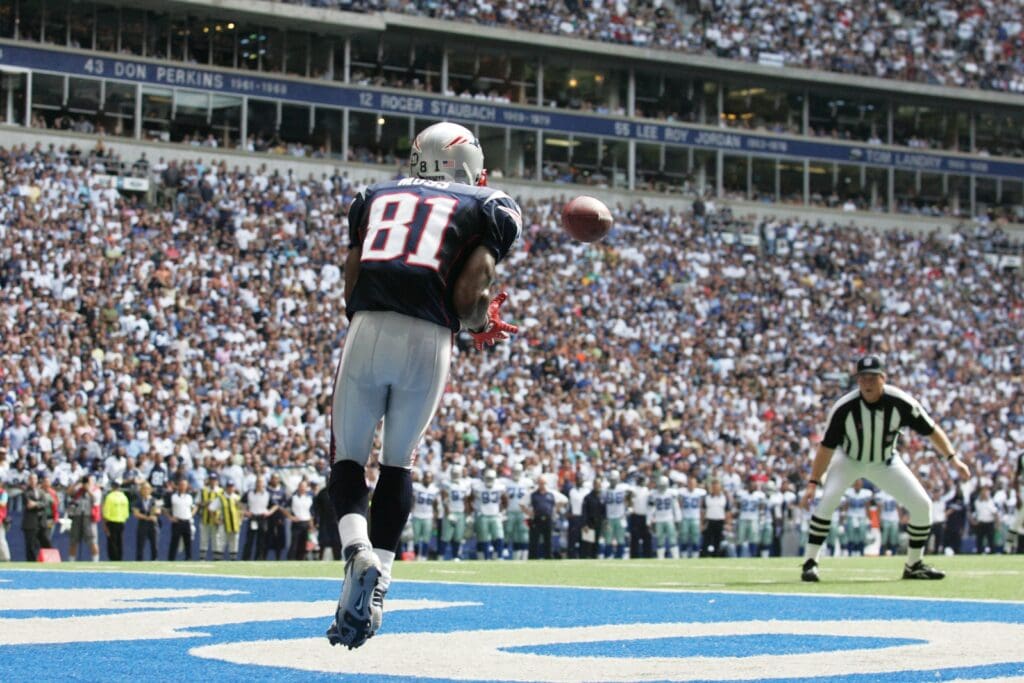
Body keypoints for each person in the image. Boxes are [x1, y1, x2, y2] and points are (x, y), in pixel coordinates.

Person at [326, 121, 521, 649]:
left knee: (347, 456)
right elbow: (468, 296)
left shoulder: (373, 196)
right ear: (468, 165)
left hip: (368, 326)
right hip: (431, 337)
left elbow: (352, 274)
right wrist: (482, 324)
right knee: (398, 462)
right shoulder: (489, 206)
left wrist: (366, 320)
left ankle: (355, 550)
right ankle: (380, 585)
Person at [801, 355, 971, 582]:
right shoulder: (844, 408)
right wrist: (813, 482)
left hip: (885, 461)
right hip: (849, 459)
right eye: (863, 378)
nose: (867, 383)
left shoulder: (901, 402)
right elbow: (826, 447)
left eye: (872, 378)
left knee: (922, 505)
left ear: (883, 378)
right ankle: (810, 562)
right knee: (827, 500)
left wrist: (953, 459)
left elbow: (931, 429)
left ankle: (914, 564)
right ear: (857, 380)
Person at [21, 473, 51, 561]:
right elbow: (28, 504)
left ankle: (48, 559)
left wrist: (36, 504)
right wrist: (39, 504)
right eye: (31, 479)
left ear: (37, 480)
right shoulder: (26, 492)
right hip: (30, 522)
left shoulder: (41, 492)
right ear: (28, 481)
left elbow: (45, 503)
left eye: (34, 479)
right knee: (31, 544)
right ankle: (32, 562)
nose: (33, 481)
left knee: (45, 541)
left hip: (41, 522)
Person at [167, 477, 196, 560]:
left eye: (184, 485)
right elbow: (165, 509)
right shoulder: (173, 496)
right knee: (174, 542)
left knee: (188, 542)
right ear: (178, 486)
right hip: (177, 521)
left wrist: (191, 515)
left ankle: (188, 558)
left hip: (187, 521)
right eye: (181, 485)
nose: (183, 487)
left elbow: (194, 507)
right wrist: (170, 517)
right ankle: (171, 559)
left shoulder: (189, 497)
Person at [242, 476, 271, 560]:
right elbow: (240, 503)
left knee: (261, 540)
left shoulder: (267, 493)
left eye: (261, 482)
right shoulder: (249, 493)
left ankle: (259, 559)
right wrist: (245, 511)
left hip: (262, 518)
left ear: (263, 484)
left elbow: (275, 505)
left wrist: (269, 512)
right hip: (253, 518)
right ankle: (246, 559)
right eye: (258, 482)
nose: (259, 484)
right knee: (249, 540)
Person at [527, 476, 556, 559]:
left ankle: (549, 557)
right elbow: (525, 505)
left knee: (548, 540)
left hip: (547, 519)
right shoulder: (533, 495)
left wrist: (553, 513)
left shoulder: (551, 495)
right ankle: (532, 558)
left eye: (543, 483)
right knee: (534, 540)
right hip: (537, 519)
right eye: (540, 483)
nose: (542, 485)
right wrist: (530, 514)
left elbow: (556, 504)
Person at [101, 479, 130, 561]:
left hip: (112, 521)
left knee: (112, 541)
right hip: (121, 521)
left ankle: (113, 558)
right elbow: (126, 512)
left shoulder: (110, 497)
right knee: (119, 541)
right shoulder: (124, 497)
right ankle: (119, 558)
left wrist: (105, 523)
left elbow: (106, 511)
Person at [287, 478, 315, 560]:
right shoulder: (293, 498)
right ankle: (291, 560)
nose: (302, 488)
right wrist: (290, 517)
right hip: (297, 523)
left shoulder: (310, 498)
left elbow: (311, 513)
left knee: (304, 544)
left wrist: (311, 525)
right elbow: (284, 508)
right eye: (301, 486)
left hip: (306, 523)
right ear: (298, 487)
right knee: (294, 544)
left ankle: (301, 560)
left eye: (304, 486)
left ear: (307, 488)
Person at [314, 479, 342, 560]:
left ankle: (337, 559)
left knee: (337, 543)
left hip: (337, 521)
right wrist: (316, 520)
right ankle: (320, 559)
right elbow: (317, 508)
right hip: (324, 522)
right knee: (323, 542)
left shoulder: (339, 492)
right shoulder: (322, 493)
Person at [133, 482, 161, 561]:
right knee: (140, 545)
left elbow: (158, 511)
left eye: (147, 489)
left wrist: (153, 513)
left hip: (153, 526)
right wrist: (147, 517)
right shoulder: (138, 501)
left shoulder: (156, 500)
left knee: (154, 545)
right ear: (141, 490)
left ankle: (154, 560)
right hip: (142, 525)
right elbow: (136, 513)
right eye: (144, 489)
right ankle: (139, 562)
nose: (145, 490)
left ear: (151, 490)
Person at [701, 478, 729, 557]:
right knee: (707, 540)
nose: (715, 488)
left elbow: (727, 511)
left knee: (718, 540)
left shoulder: (724, 498)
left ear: (720, 487)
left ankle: (716, 556)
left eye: (717, 486)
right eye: (713, 487)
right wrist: (702, 523)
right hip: (709, 521)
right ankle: (705, 556)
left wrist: (728, 523)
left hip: (720, 521)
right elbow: (703, 511)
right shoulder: (707, 497)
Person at [581, 478, 605, 559]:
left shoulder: (602, 497)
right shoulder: (588, 497)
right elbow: (584, 512)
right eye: (596, 484)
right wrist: (585, 524)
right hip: (589, 523)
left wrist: (604, 522)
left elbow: (604, 511)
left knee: (596, 544)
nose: (598, 486)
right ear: (593, 485)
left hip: (598, 523)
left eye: (599, 484)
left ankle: (594, 559)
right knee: (588, 544)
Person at [0, 479, 10, 561]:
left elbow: (3, 503)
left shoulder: (3, 493)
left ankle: (6, 558)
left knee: (1, 539)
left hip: (0, 519)